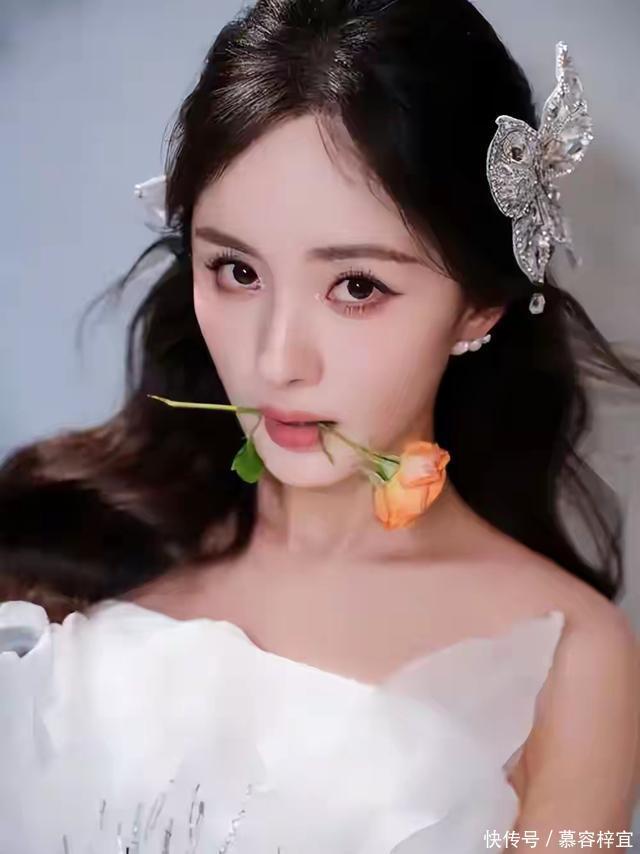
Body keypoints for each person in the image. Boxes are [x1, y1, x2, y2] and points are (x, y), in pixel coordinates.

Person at [0, 0, 639, 851]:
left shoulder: (574, 658)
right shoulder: (63, 557)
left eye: (357, 287)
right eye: (236, 271)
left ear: (478, 306)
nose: (276, 361)